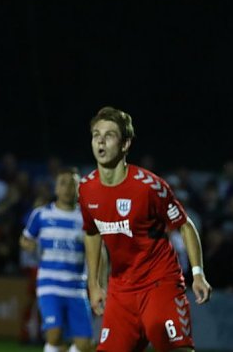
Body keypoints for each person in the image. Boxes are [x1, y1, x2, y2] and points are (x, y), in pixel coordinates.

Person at [80, 106, 212, 352]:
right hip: (121, 291)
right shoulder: (86, 189)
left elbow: (184, 225)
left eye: (109, 135)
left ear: (125, 144)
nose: (100, 140)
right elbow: (92, 232)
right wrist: (95, 285)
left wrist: (198, 273)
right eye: (96, 134)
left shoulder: (149, 187)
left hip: (159, 284)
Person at [21, 167, 94, 352]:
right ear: (56, 188)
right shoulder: (42, 214)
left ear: (79, 189)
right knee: (54, 335)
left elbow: (95, 251)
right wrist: (28, 245)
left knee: (85, 345)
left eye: (73, 184)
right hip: (50, 284)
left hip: (77, 287)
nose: (68, 188)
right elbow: (25, 238)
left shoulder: (86, 218)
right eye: (63, 183)